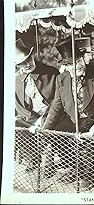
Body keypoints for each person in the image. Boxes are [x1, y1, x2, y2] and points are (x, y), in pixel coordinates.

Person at [42, 36, 94, 190]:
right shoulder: (61, 79)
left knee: (92, 140)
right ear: (66, 66)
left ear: (83, 58)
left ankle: (88, 174)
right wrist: (45, 130)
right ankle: (78, 169)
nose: (76, 66)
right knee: (55, 133)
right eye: (71, 64)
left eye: (78, 61)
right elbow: (56, 107)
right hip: (75, 120)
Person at [15, 38, 59, 176]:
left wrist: (43, 119)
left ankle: (49, 162)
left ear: (32, 56)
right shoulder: (16, 80)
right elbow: (19, 105)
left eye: (28, 60)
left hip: (52, 114)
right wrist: (34, 120)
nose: (27, 65)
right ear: (18, 66)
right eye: (22, 64)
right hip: (31, 117)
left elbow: (58, 101)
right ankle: (33, 156)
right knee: (15, 123)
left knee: (49, 126)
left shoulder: (51, 73)